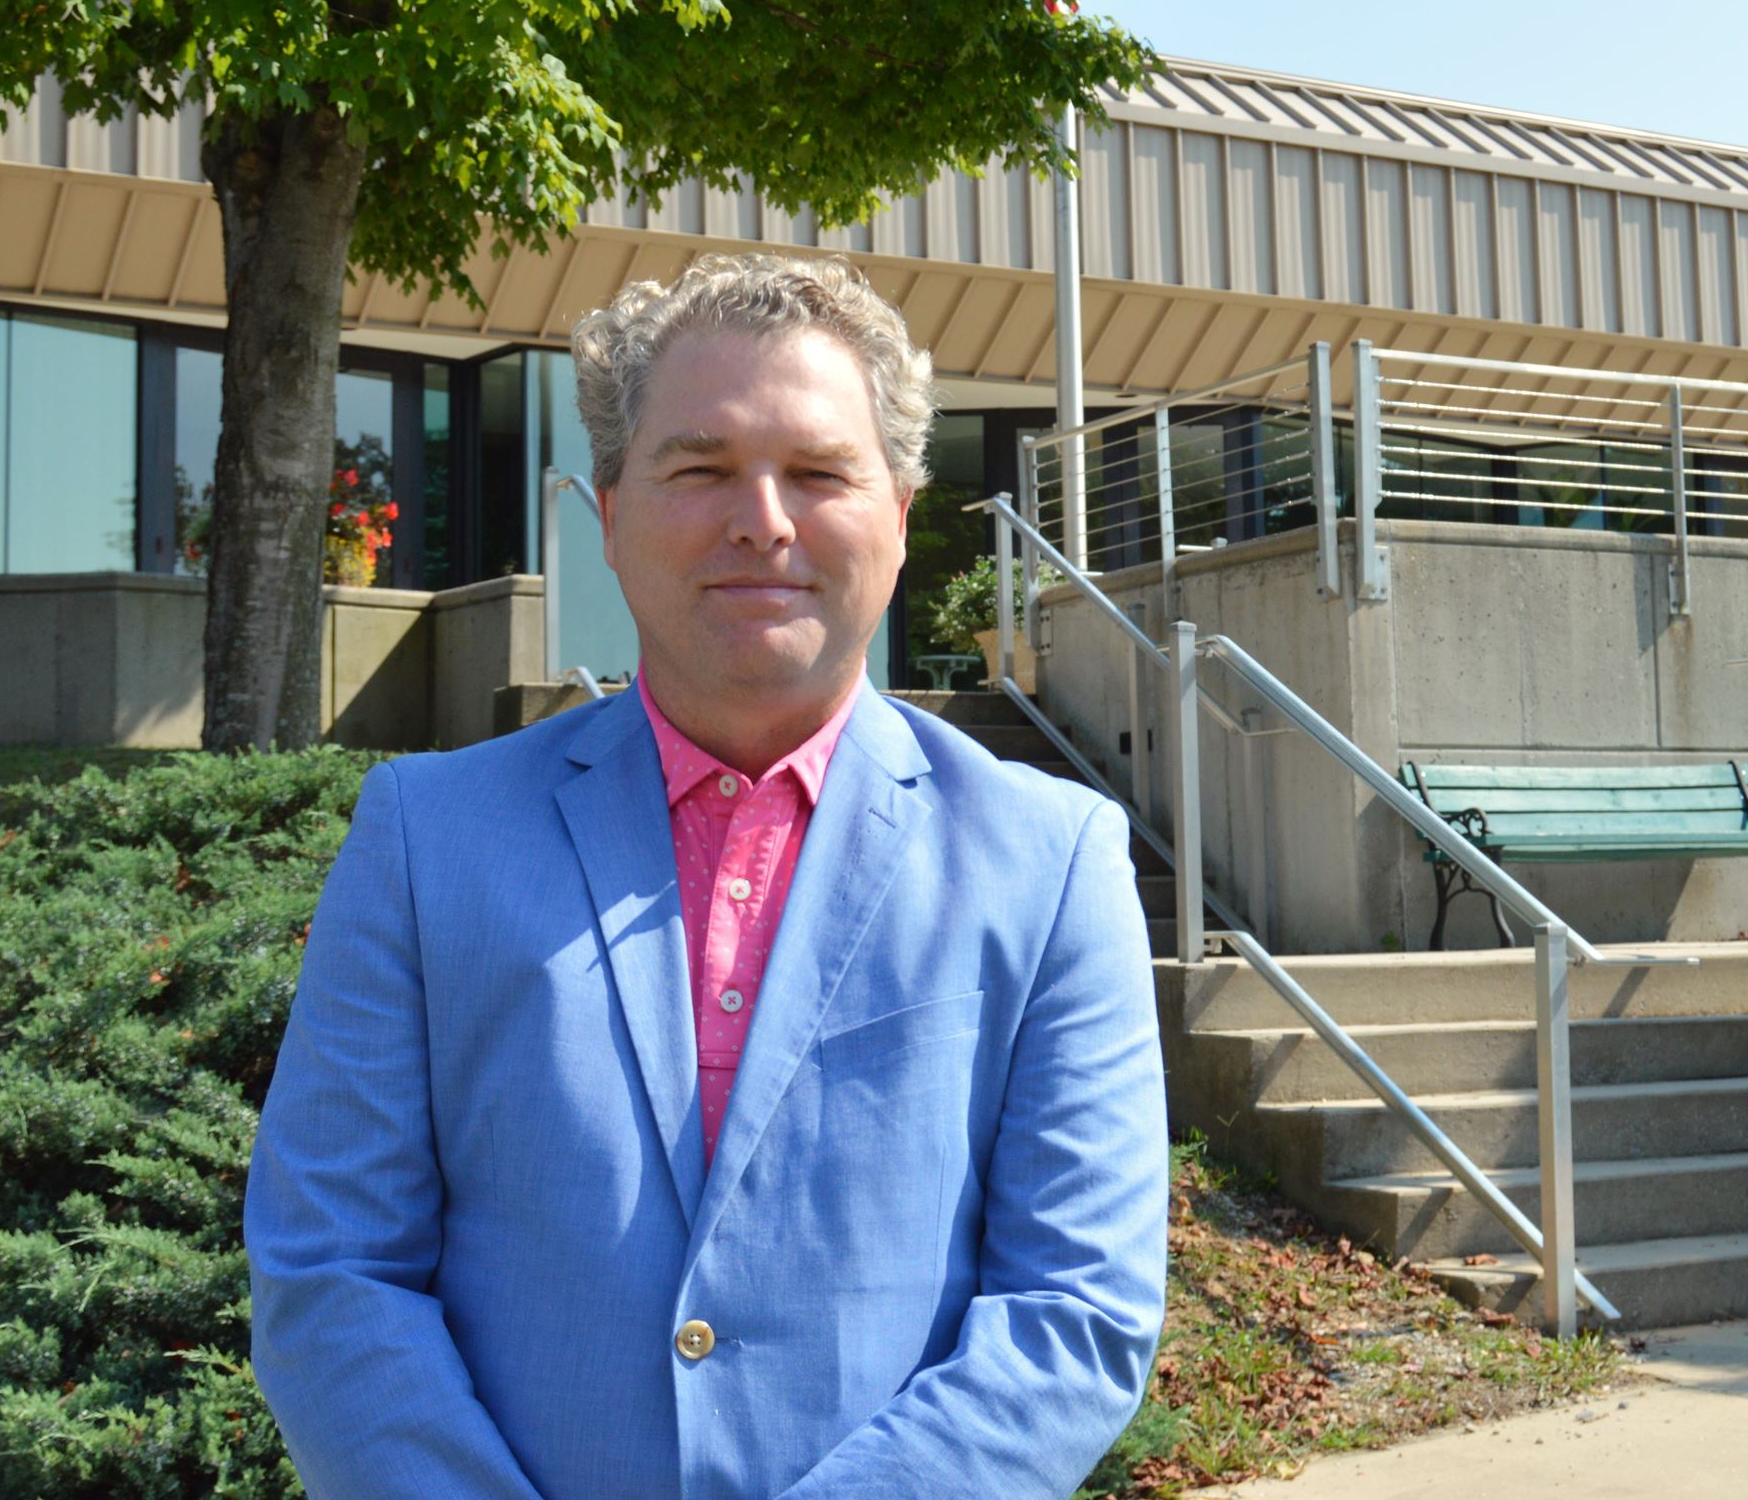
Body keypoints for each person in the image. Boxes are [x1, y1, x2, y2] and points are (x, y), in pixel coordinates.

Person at [247, 253, 1168, 1498]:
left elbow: (1075, 1312)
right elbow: (331, 1271)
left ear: (898, 517)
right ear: (612, 514)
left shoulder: (1051, 860)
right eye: (702, 468)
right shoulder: (425, 838)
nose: (764, 520)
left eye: (819, 472)